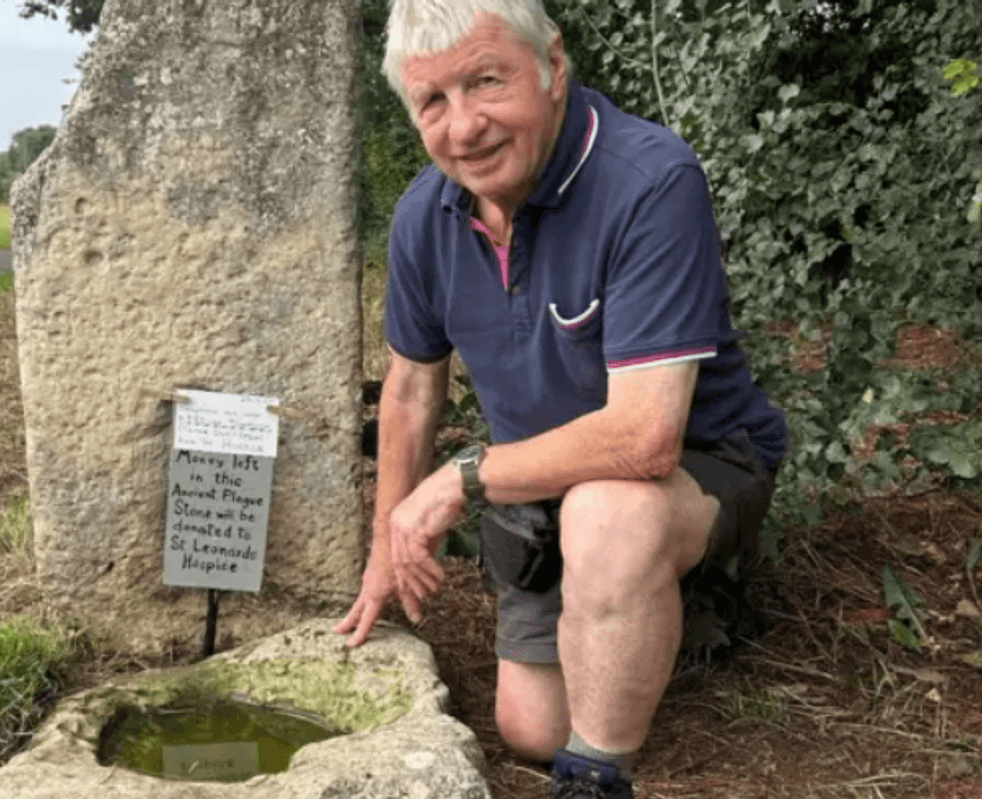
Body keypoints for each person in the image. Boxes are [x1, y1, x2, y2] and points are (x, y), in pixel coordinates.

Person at [334, 1, 788, 797]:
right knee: (530, 727)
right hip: (540, 488)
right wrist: (382, 553)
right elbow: (410, 390)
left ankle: (594, 778)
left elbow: (645, 437)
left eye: (486, 82)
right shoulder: (422, 217)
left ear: (551, 64)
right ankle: (651, 612)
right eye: (432, 102)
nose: (464, 126)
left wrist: (459, 478)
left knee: (608, 516)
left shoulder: (650, 181)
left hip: (697, 461)